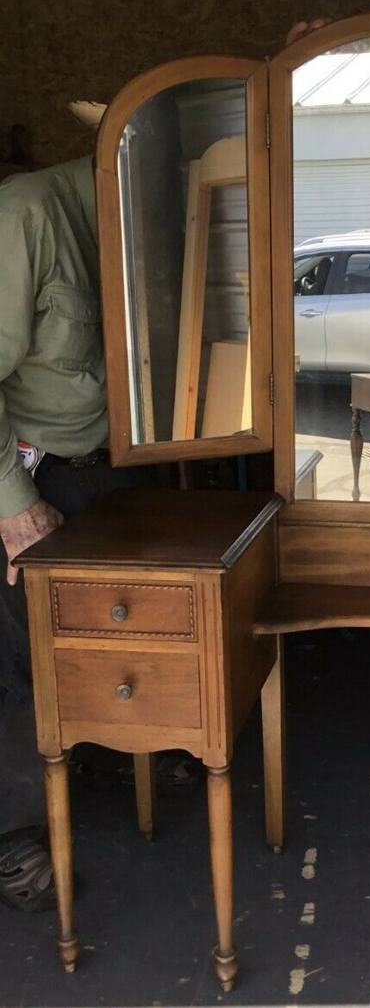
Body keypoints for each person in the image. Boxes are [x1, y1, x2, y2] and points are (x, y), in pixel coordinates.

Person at [0, 156, 152, 911]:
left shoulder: (145, 215)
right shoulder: (26, 212)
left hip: (108, 462)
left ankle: (102, 754)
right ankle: (15, 840)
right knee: (19, 660)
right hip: (30, 469)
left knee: (108, 634)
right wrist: (11, 503)